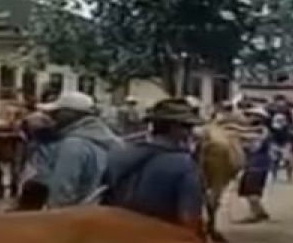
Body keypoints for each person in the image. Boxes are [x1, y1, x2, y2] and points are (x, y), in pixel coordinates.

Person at [102, 99, 205, 233]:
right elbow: (188, 218)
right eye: (187, 127)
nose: (190, 132)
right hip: (160, 239)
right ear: (175, 128)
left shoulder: (120, 154)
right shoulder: (184, 164)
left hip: (118, 232)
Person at [39, 92, 122, 208]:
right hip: (100, 211)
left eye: (57, 112)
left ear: (70, 114)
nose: (52, 116)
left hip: (75, 215)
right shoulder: (112, 140)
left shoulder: (73, 145)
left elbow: (62, 191)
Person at [238, 107, 273, 223]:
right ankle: (260, 212)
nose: (248, 118)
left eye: (251, 116)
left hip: (257, 163)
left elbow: (255, 148)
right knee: (250, 189)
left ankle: (255, 214)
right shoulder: (253, 130)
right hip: (255, 163)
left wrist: (244, 144)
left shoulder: (262, 131)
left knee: (252, 190)